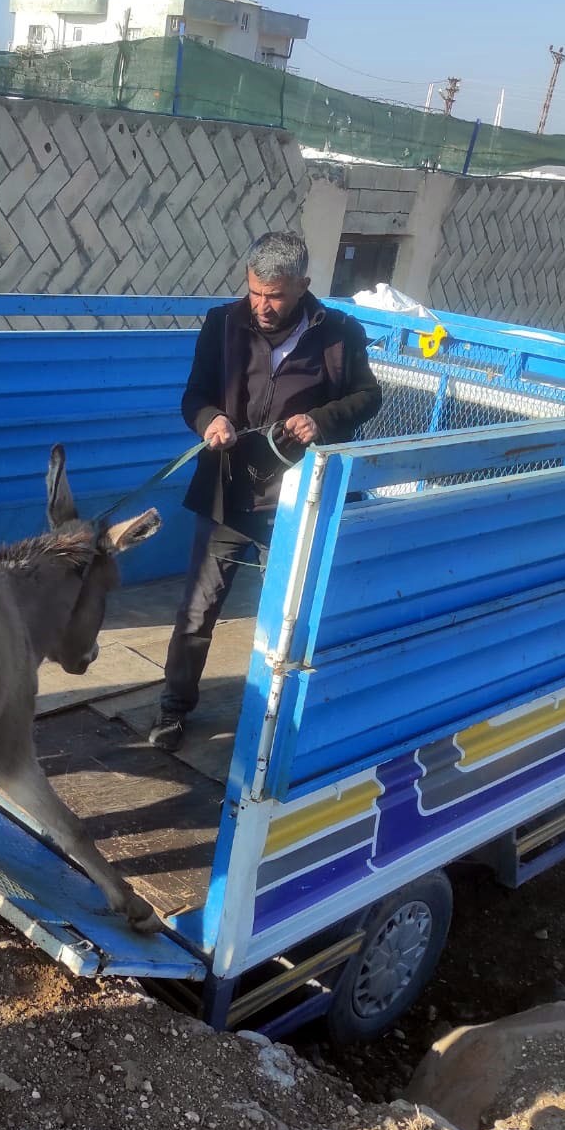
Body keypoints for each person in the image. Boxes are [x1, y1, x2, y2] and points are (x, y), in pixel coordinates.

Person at [149, 231, 382, 751]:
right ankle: (173, 707)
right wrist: (210, 421)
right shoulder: (222, 324)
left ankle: (283, 726)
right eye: (255, 292)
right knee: (197, 611)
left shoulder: (341, 333)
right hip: (226, 497)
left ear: (303, 285)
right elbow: (194, 396)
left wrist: (322, 419)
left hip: (297, 504)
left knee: (295, 617)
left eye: (274, 295)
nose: (262, 305)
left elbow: (369, 396)